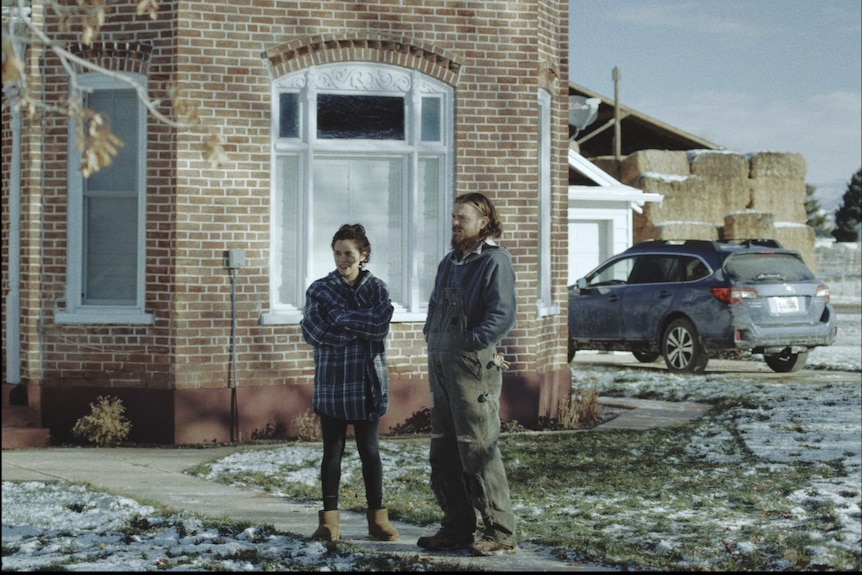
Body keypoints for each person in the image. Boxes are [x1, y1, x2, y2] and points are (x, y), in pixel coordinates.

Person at [418, 192, 518, 556]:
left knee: (478, 449)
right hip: (441, 365)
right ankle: (456, 527)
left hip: (472, 368)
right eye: (454, 217)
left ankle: (500, 533)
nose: (455, 223)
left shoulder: (494, 262)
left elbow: (502, 314)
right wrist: (433, 334)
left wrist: (470, 342)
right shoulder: (450, 262)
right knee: (443, 451)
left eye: (463, 218)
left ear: (484, 222)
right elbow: (433, 305)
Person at [300, 223, 399, 542]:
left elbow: (379, 326)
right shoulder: (319, 289)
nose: (343, 259)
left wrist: (339, 316)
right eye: (338, 253)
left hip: (368, 383)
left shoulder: (377, 289)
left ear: (363, 255)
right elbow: (313, 332)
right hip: (333, 382)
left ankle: (378, 520)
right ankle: (329, 522)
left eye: (349, 254)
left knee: (370, 452)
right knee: (333, 451)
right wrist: (358, 323)